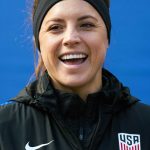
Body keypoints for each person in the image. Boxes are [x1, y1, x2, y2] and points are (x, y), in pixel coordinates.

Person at [0, 0, 150, 149]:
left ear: (107, 37)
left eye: (86, 25)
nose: (71, 39)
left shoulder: (144, 123)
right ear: (39, 42)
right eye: (55, 27)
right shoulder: (5, 126)